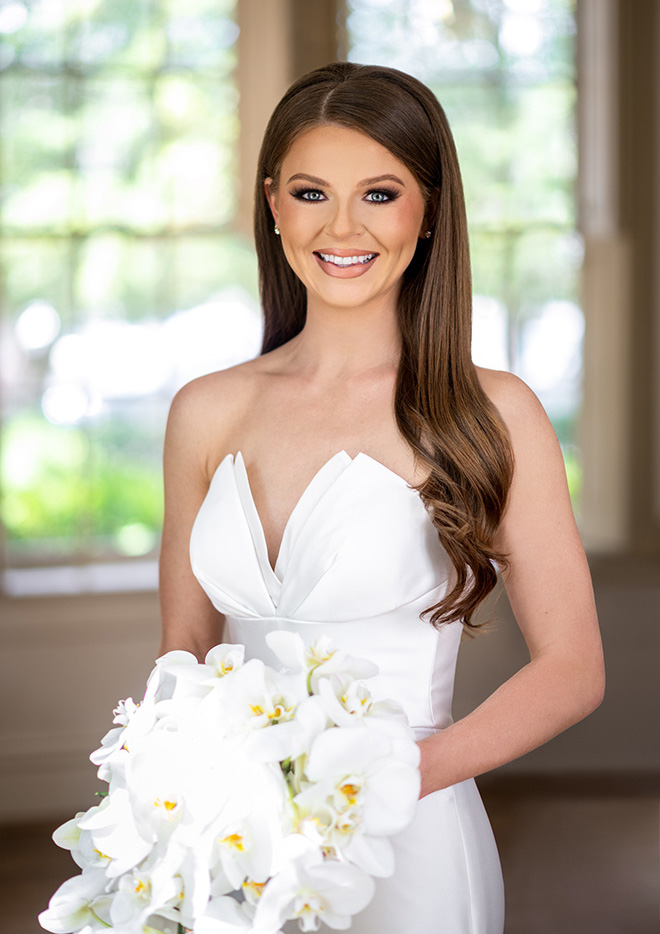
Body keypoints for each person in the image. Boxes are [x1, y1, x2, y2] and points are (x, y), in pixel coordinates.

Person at [158, 62, 605, 934]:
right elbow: (183, 647)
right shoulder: (205, 410)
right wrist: (180, 807)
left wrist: (382, 784)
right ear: (273, 205)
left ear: (428, 210)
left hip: (411, 843)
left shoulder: (490, 413)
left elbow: (572, 670)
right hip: (240, 848)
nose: (342, 226)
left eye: (381, 193)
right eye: (312, 191)